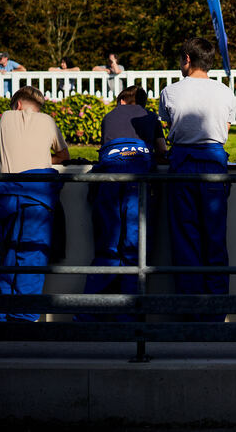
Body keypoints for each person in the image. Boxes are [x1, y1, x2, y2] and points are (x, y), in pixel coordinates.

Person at [159, 38, 236, 321]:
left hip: (182, 164)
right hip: (214, 163)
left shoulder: (170, 92)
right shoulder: (225, 91)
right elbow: (225, 128)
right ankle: (215, 312)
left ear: (187, 60)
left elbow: (171, 126)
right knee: (215, 238)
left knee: (185, 239)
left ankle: (189, 311)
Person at [76, 85, 166, 321]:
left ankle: (88, 315)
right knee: (135, 251)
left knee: (107, 248)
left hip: (109, 179)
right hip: (139, 183)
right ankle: (131, 317)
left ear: (122, 101)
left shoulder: (109, 115)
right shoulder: (150, 116)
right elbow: (162, 151)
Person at [0, 86, 69, 321]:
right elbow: (65, 157)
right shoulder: (49, 121)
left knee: (5, 255)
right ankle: (24, 316)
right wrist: (43, 158)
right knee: (32, 256)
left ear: (18, 104)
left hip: (7, 195)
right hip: (38, 196)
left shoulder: (4, 118)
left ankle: (1, 315)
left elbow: (0, 153)